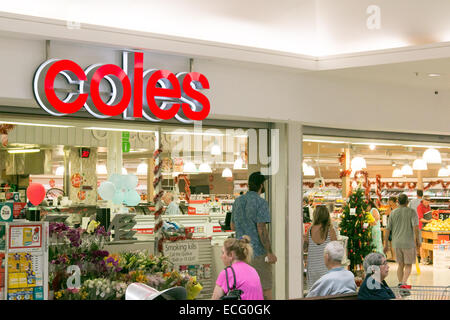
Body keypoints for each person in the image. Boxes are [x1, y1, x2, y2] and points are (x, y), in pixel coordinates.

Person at [231, 171, 277, 300]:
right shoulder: (261, 202)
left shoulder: (237, 202)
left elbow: (232, 226)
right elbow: (261, 229)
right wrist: (270, 252)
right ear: (261, 185)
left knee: (243, 292)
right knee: (265, 290)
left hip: (240, 253)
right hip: (257, 254)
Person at [383, 194, 420, 287]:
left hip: (396, 243)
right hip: (408, 243)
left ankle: (400, 283)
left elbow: (387, 229)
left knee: (400, 265)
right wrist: (418, 240)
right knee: (408, 264)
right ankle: (403, 282)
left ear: (398, 202)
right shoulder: (412, 212)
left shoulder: (393, 213)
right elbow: (416, 227)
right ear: (407, 202)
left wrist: (385, 244)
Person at [212, 236, 264, 300]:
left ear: (231, 255)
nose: (221, 257)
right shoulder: (253, 270)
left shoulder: (227, 273)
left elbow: (215, 298)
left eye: (223, 253)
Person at [304, 205, 337, 290]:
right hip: (326, 267)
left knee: (314, 292)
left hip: (312, 267)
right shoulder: (330, 230)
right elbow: (336, 249)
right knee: (326, 292)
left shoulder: (310, 229)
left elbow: (305, 248)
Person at [416, 195, 432, 263]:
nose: (427, 202)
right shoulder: (419, 207)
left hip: (428, 227)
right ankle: (423, 259)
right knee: (422, 243)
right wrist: (428, 221)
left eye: (428, 201)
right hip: (421, 227)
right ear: (423, 200)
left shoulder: (428, 206)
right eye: (426, 201)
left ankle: (430, 258)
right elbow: (420, 219)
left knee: (429, 242)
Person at [385, 196, 398, 260]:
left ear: (394, 202)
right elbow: (386, 214)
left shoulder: (395, 208)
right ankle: (394, 256)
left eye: (390, 201)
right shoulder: (390, 208)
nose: (389, 203)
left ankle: (395, 256)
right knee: (392, 242)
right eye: (389, 201)